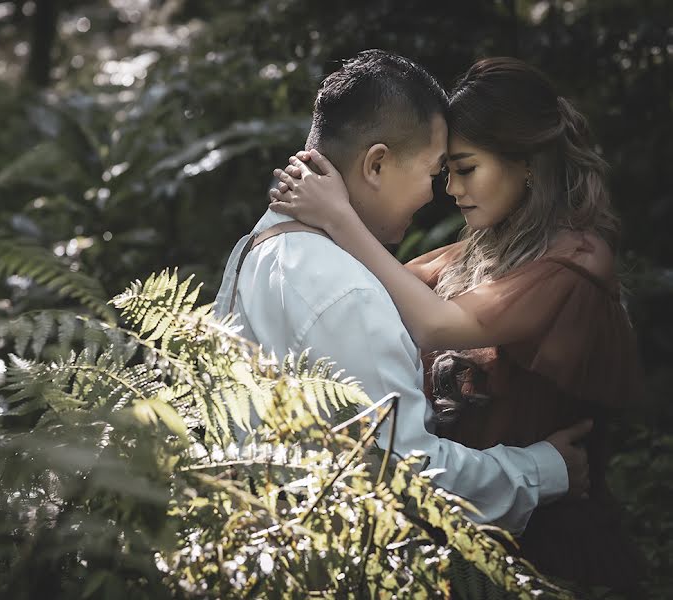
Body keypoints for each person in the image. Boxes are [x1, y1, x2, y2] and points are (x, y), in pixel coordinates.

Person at [268, 56, 644, 594]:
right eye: (446, 173)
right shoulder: (485, 248)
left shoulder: (575, 260)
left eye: (466, 169)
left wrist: (338, 217)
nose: (451, 189)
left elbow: (439, 326)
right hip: (478, 524)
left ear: (527, 164)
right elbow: (380, 289)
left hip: (551, 537)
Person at [213, 50, 592, 539]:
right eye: (434, 172)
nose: (439, 193)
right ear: (377, 164)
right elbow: (406, 479)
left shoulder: (258, 246)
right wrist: (544, 470)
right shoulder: (345, 291)